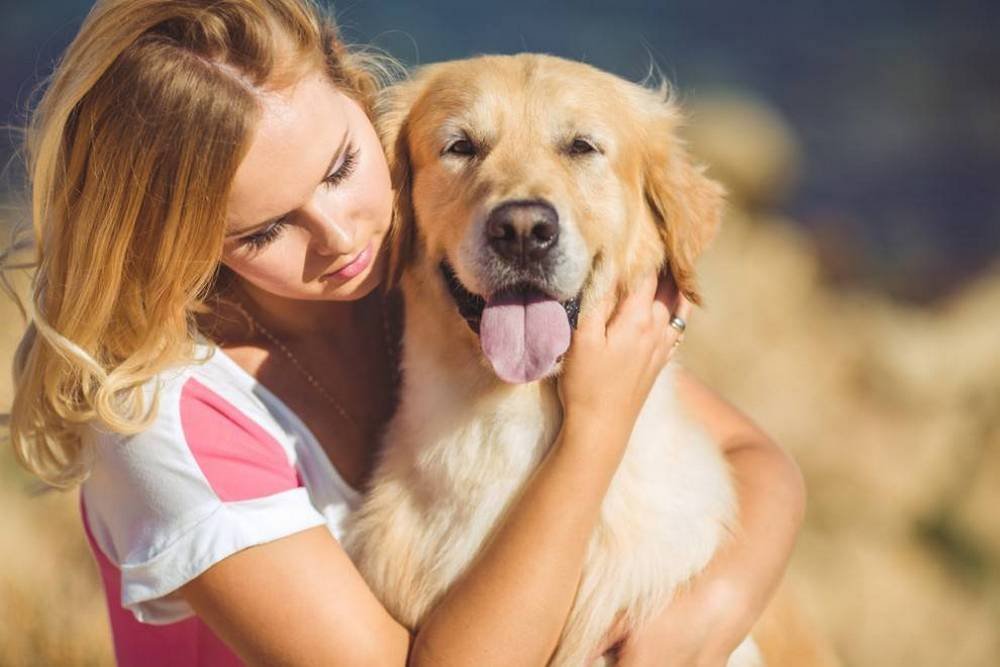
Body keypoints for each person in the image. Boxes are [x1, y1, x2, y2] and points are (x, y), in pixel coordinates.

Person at [5, 0, 805, 665]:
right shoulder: (166, 423)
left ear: (367, 116)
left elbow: (759, 459)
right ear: (174, 241)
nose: (340, 237)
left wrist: (702, 614)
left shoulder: (415, 272)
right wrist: (594, 428)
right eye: (263, 231)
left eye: (340, 167)